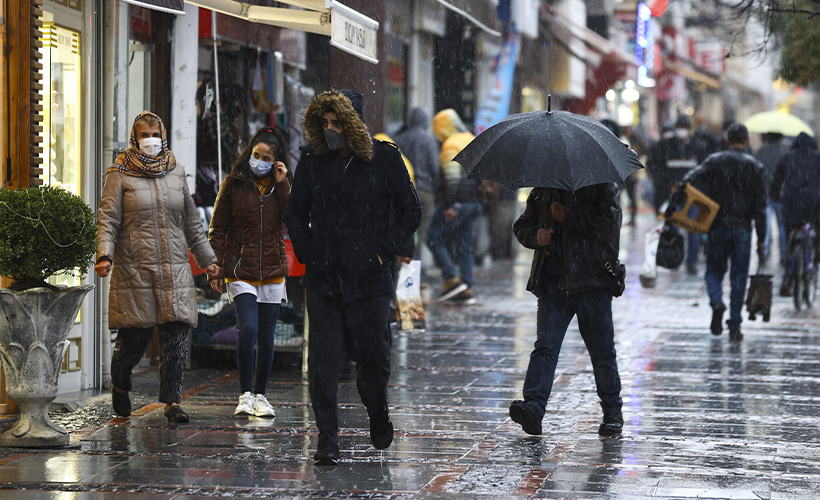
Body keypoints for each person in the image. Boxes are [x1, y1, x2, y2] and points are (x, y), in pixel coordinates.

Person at [285, 89, 421, 466]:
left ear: (355, 123)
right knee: (323, 366)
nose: (331, 130)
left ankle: (378, 411)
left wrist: (383, 250)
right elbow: (295, 213)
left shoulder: (384, 158)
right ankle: (327, 440)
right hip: (324, 282)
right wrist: (308, 252)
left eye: (337, 123)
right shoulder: (312, 162)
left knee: (373, 362)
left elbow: (410, 210)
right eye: (324, 123)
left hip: (370, 283)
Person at [95, 111, 219, 423]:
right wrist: (104, 254)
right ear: (134, 138)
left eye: (155, 133)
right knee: (134, 340)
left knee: (176, 334)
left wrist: (209, 261)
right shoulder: (119, 172)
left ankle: (172, 402)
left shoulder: (176, 172)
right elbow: (108, 218)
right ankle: (121, 382)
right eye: (144, 134)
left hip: (174, 266)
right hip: (135, 268)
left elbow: (191, 223)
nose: (150, 139)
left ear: (163, 136)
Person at [508, 183, 625, 437]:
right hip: (552, 283)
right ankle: (534, 409)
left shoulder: (602, 186)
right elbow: (522, 225)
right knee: (546, 346)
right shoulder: (544, 189)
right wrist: (535, 235)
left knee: (601, 350)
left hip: (591, 283)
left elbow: (609, 227)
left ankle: (613, 412)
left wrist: (569, 217)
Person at [208, 126, 290, 418]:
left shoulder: (280, 185)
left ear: (277, 161)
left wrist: (282, 185)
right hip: (240, 268)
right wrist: (214, 266)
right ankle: (245, 394)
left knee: (267, 336)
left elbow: (291, 219)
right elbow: (218, 229)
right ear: (249, 152)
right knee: (250, 328)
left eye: (267, 157)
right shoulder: (233, 183)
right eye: (256, 154)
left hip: (272, 268)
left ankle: (261, 396)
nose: (260, 160)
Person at [666, 123, 766, 341]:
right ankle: (735, 324)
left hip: (717, 226)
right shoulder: (756, 167)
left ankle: (716, 301)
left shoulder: (715, 160)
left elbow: (687, 180)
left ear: (727, 140)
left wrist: (672, 208)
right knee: (739, 277)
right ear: (747, 141)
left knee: (714, 271)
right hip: (743, 229)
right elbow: (761, 206)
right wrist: (762, 237)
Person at [427, 108, 481, 304]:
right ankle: (466, 287)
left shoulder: (451, 145)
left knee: (434, 238)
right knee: (465, 245)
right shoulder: (471, 138)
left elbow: (451, 178)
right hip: (475, 201)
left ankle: (452, 279)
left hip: (458, 202)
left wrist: (450, 205)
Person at [646, 115, 702, 275]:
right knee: (672, 229)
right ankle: (675, 258)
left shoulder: (698, 147)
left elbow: (705, 171)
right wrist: (667, 183)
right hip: (670, 195)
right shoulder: (663, 147)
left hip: (692, 196)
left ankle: (691, 262)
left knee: (693, 229)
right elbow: (653, 166)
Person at [771, 131, 820, 289]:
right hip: (815, 202)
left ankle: (788, 273)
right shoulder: (818, 157)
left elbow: (776, 182)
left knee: (789, 235)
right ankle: (817, 257)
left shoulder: (787, 158)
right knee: (817, 231)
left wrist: (775, 196)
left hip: (792, 203)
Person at [393, 107, 441, 263]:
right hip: (425, 191)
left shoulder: (400, 139)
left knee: (405, 232)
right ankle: (414, 269)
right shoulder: (429, 140)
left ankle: (403, 267)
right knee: (421, 234)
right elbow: (435, 167)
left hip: (404, 191)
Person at [757, 133, 790, 265]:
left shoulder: (760, 152)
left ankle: (763, 252)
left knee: (765, 224)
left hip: (764, 192)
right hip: (780, 193)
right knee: (782, 226)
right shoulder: (785, 153)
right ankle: (783, 255)